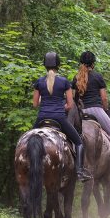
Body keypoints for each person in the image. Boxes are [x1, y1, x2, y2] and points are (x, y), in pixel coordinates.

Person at [32, 52, 93, 182]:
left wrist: (46, 104)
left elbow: (35, 104)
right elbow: (70, 105)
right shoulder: (64, 82)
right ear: (58, 66)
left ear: (45, 66)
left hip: (41, 118)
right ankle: (80, 171)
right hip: (59, 118)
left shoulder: (39, 82)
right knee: (79, 142)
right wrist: (60, 108)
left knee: (28, 139)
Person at [72, 51, 110, 171]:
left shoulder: (76, 78)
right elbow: (104, 97)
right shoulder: (97, 76)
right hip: (96, 110)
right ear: (93, 64)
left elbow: (74, 99)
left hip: (81, 112)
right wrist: (105, 109)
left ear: (81, 63)